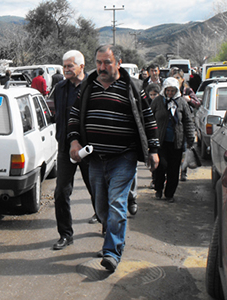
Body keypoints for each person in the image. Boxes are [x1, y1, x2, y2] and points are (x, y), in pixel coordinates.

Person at [68, 45, 160, 272]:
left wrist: (154, 149)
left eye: (107, 62)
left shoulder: (132, 87)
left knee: (117, 204)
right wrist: (74, 141)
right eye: (98, 62)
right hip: (96, 158)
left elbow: (147, 118)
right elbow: (74, 115)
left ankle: (112, 252)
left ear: (118, 62)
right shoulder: (88, 86)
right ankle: (111, 236)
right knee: (101, 207)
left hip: (123, 157)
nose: (101, 67)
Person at [51, 50, 97, 251]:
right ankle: (65, 235)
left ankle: (105, 222)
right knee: (61, 192)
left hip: (90, 149)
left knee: (96, 189)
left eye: (70, 65)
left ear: (81, 66)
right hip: (65, 147)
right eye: (64, 66)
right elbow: (56, 115)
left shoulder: (93, 87)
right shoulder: (60, 88)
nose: (66, 69)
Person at [150, 77, 195, 202]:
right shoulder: (158, 101)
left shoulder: (181, 103)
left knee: (173, 169)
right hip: (160, 141)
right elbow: (149, 119)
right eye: (168, 90)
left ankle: (169, 194)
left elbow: (188, 121)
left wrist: (190, 139)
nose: (170, 93)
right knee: (161, 166)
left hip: (176, 143)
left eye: (172, 91)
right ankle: (158, 188)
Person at [171, 69, 200, 181]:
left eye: (178, 77)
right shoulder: (167, 91)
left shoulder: (187, 90)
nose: (176, 80)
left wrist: (189, 100)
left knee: (184, 150)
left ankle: (183, 172)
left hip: (184, 125)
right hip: (172, 126)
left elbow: (197, 103)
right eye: (174, 77)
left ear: (183, 79)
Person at [144, 82, 162, 189]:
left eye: (155, 94)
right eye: (151, 95)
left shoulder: (163, 103)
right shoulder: (146, 105)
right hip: (152, 138)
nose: (153, 97)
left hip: (162, 136)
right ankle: (154, 180)